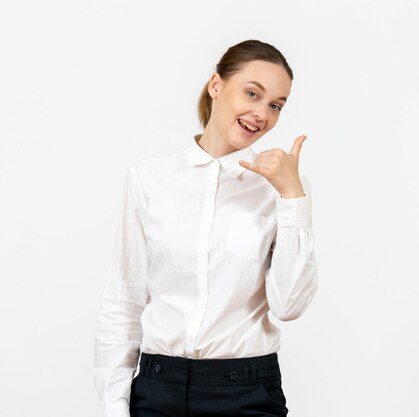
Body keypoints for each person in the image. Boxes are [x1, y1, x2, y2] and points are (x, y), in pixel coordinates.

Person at [92, 39, 319, 417]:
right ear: (216, 86)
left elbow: (289, 305)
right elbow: (123, 299)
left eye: (276, 105)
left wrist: (292, 196)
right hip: (157, 387)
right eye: (252, 93)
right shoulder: (150, 179)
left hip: (246, 390)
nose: (261, 113)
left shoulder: (281, 188)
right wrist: (114, 403)